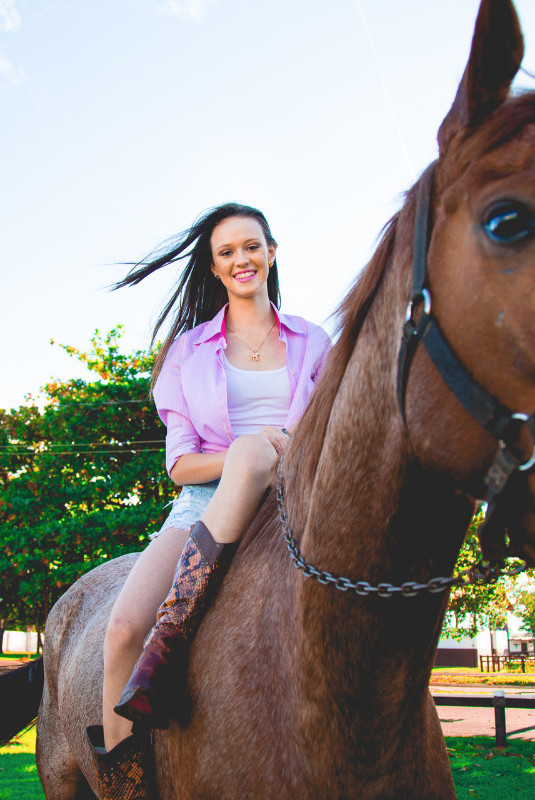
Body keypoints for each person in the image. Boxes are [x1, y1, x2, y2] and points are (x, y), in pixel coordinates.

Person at [85, 203, 332, 797]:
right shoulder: (188, 352)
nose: (241, 259)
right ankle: (124, 787)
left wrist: (275, 451)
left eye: (251, 246)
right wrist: (250, 450)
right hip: (203, 504)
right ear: (215, 268)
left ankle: (167, 646)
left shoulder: (315, 341)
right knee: (120, 628)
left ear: (272, 252)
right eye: (227, 252)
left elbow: (331, 435)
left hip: (297, 500)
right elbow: (180, 465)